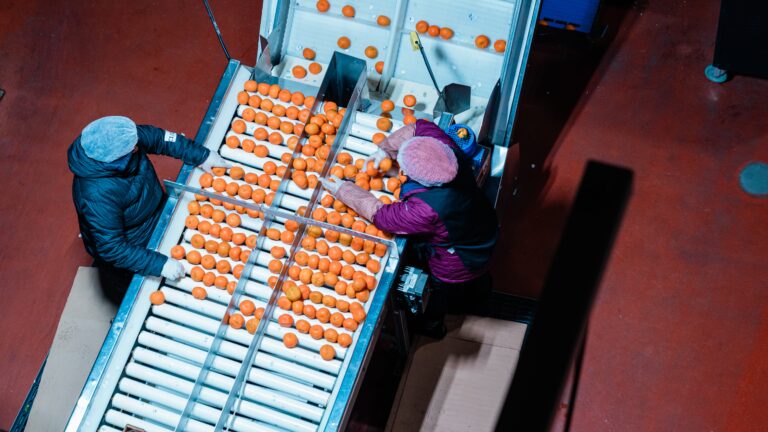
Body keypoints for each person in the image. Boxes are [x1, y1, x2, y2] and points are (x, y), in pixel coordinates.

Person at [322, 119, 499, 338]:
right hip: (484, 228)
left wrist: (344, 190)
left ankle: (434, 325)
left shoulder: (428, 208)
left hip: (457, 260)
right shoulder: (447, 150)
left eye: (404, 168)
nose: (401, 169)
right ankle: (483, 293)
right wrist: (385, 151)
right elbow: (419, 127)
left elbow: (384, 217)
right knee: (481, 277)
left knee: (443, 293)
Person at [67, 116, 230, 303]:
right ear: (114, 162)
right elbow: (111, 247)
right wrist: (159, 265)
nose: (138, 148)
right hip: (133, 242)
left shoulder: (123, 139)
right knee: (144, 290)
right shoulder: (95, 194)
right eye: (132, 149)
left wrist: (202, 155)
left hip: (155, 211)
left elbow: (161, 139)